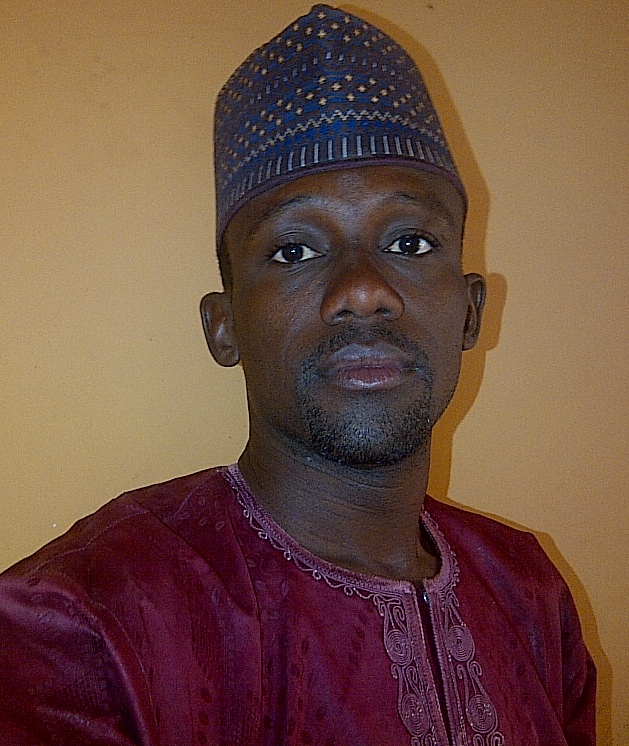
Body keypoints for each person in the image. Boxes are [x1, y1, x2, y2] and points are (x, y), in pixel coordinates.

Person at [0, 4, 595, 744]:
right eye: (294, 251)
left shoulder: (531, 592)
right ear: (224, 327)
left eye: (410, 242)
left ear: (470, 312)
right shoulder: (79, 624)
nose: (363, 290)